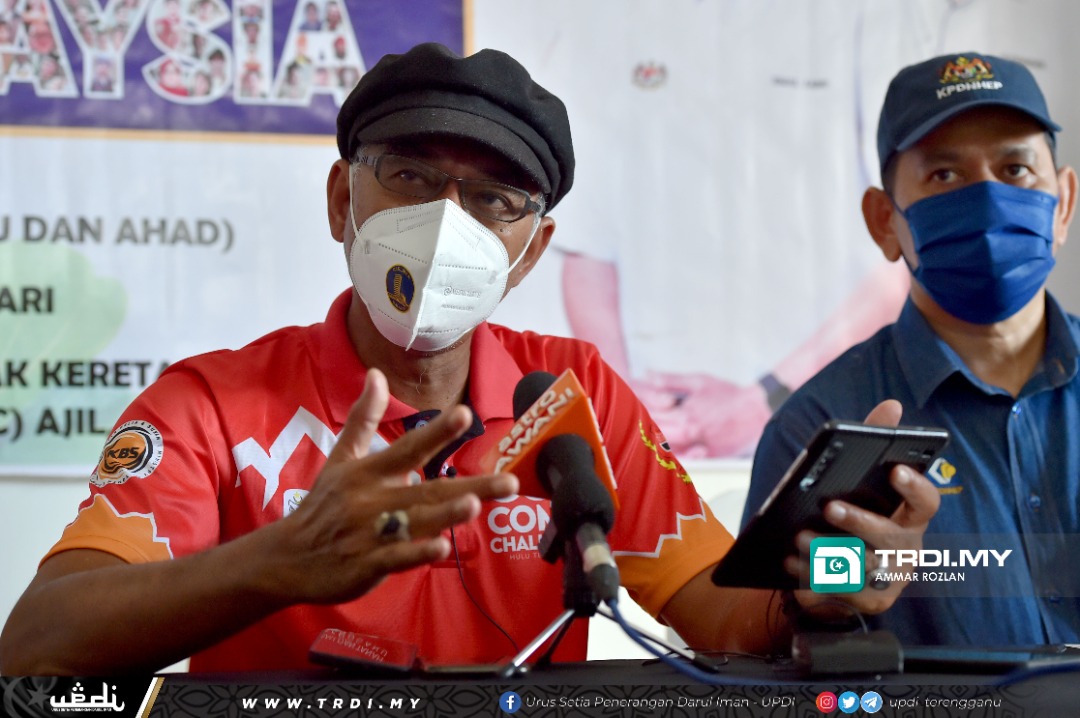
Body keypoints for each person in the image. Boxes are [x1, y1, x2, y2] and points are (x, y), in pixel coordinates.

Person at [0, 42, 939, 675]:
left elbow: (717, 610)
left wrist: (828, 587)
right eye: (410, 175)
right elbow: (37, 644)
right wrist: (272, 564)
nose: (446, 220)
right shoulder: (210, 402)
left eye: (495, 199)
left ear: (531, 252)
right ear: (342, 202)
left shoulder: (574, 393)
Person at [745, 51, 1080, 646]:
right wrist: (831, 606)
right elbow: (761, 646)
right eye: (945, 176)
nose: (988, 199)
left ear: (1064, 203)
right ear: (884, 222)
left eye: (1016, 169)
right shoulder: (819, 428)